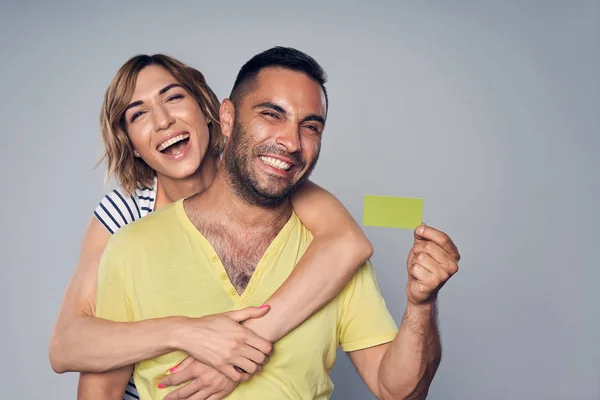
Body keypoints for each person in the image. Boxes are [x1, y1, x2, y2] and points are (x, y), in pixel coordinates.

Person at [78, 46, 461, 400]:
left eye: (310, 126)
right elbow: (92, 381)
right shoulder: (131, 246)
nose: (291, 142)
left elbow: (398, 391)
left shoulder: (334, 256)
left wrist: (420, 305)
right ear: (227, 117)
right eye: (271, 114)